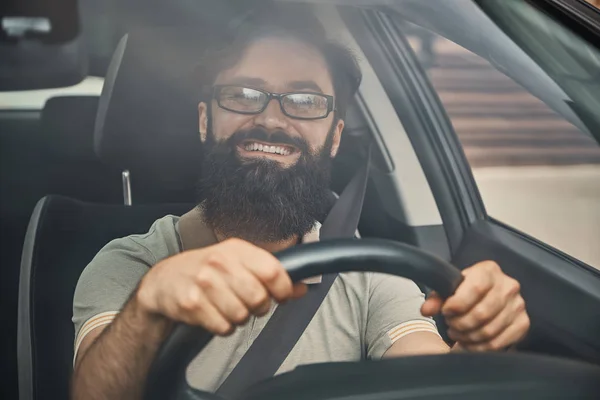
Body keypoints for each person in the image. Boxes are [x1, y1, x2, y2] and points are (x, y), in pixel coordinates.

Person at [71, 10, 530, 400]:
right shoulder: (130, 264)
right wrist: (150, 309)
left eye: (305, 101)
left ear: (333, 137)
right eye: (243, 95)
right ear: (206, 119)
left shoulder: (369, 276)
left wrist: (481, 348)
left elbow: (428, 379)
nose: (271, 119)